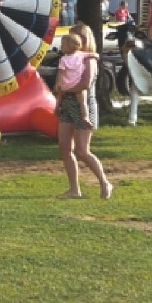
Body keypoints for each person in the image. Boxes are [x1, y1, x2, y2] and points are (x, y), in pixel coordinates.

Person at [50, 30, 111, 200]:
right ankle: (74, 189)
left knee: (82, 151)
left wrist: (65, 90)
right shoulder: (67, 59)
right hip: (66, 103)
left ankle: (104, 182)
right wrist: (59, 99)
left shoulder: (89, 58)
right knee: (65, 147)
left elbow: (84, 84)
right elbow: (59, 81)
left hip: (81, 102)